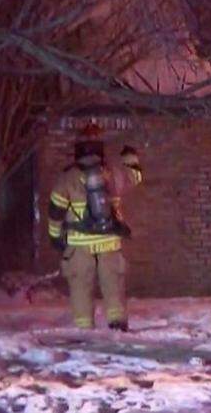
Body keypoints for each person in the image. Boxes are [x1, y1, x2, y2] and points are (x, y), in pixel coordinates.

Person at [47, 124, 142, 331]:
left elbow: (55, 211)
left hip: (79, 245)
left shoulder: (68, 178)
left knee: (80, 286)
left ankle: (84, 328)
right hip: (109, 242)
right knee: (113, 284)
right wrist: (130, 157)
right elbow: (135, 176)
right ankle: (117, 325)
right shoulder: (113, 173)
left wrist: (55, 237)